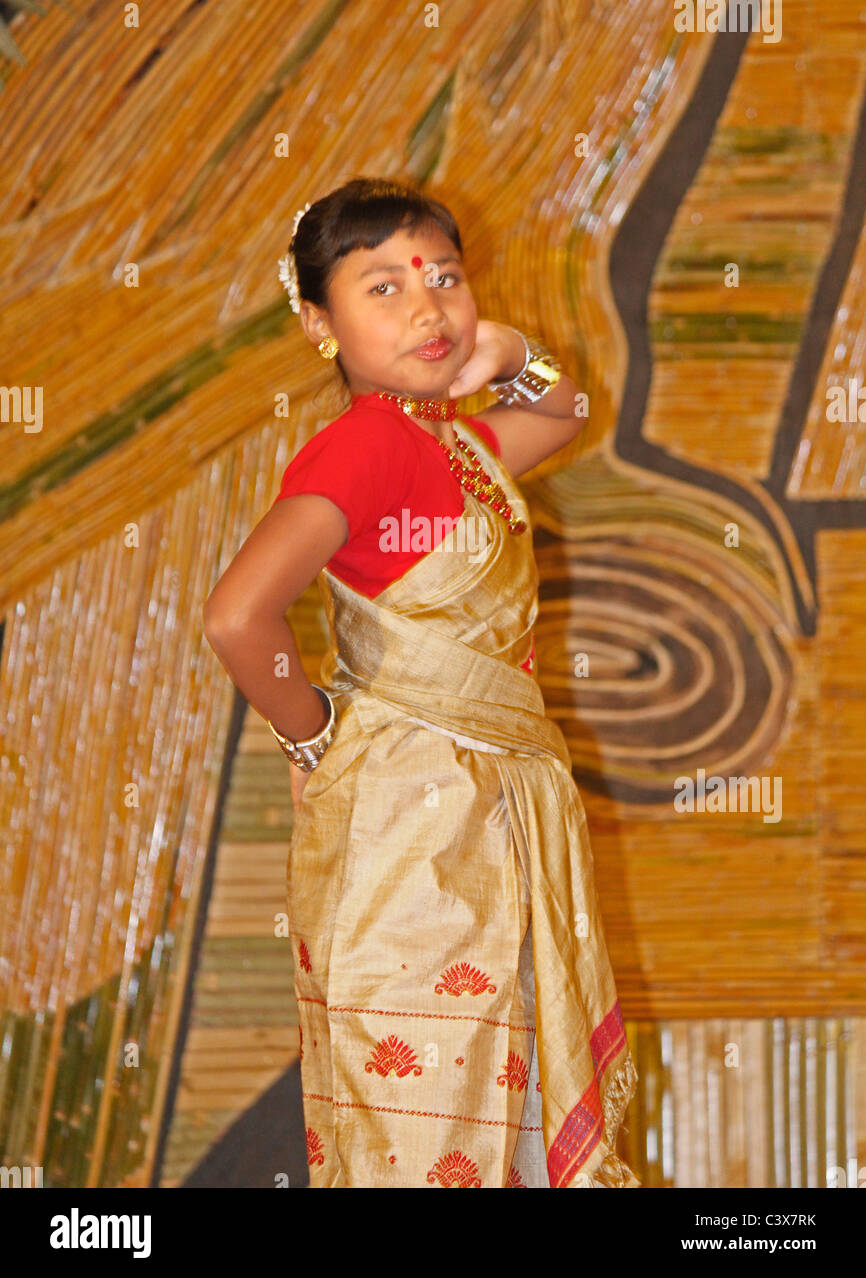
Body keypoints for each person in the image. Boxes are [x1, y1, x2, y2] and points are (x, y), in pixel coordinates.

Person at [202, 176, 640, 1188]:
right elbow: (237, 616)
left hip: (481, 821)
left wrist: (508, 353)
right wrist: (316, 740)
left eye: (443, 276)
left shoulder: (454, 446)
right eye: (382, 287)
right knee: (431, 1119)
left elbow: (562, 407)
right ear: (319, 322)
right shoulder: (367, 445)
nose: (427, 305)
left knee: (485, 1107)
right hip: (418, 836)